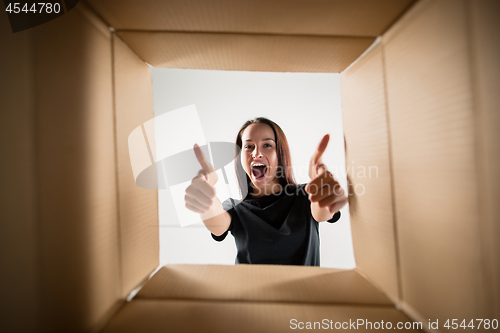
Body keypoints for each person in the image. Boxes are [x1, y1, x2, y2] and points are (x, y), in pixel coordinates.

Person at [184, 117, 348, 266]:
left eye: (267, 145)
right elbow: (217, 224)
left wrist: (325, 194)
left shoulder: (306, 195)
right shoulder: (235, 208)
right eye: (249, 146)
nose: (256, 154)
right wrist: (206, 198)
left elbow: (321, 211)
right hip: (250, 297)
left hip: (302, 296)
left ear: (280, 153)